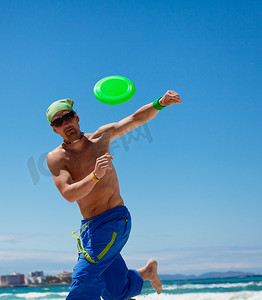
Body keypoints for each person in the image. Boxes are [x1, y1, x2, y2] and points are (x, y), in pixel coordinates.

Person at [46, 91, 182, 300]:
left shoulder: (101, 138)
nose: (66, 123)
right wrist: (95, 176)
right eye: (59, 121)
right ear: (54, 129)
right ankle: (145, 273)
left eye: (68, 117)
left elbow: (135, 119)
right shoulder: (57, 158)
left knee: (83, 279)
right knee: (115, 292)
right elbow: (68, 194)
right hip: (90, 228)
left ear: (77, 117)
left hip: (115, 220)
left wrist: (160, 103)